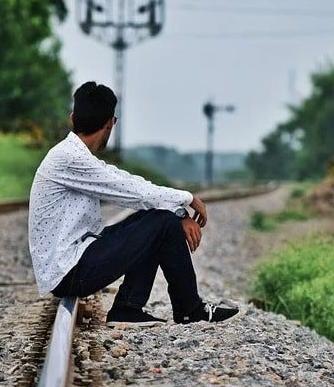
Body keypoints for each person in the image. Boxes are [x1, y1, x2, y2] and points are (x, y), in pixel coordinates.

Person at [28, 81, 240, 327]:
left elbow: (123, 180)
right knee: (161, 222)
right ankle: (190, 309)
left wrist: (178, 210)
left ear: (73, 118)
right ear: (111, 123)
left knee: (155, 216)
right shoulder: (71, 158)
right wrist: (188, 199)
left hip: (75, 260)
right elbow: (131, 191)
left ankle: (128, 309)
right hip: (69, 271)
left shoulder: (72, 154)